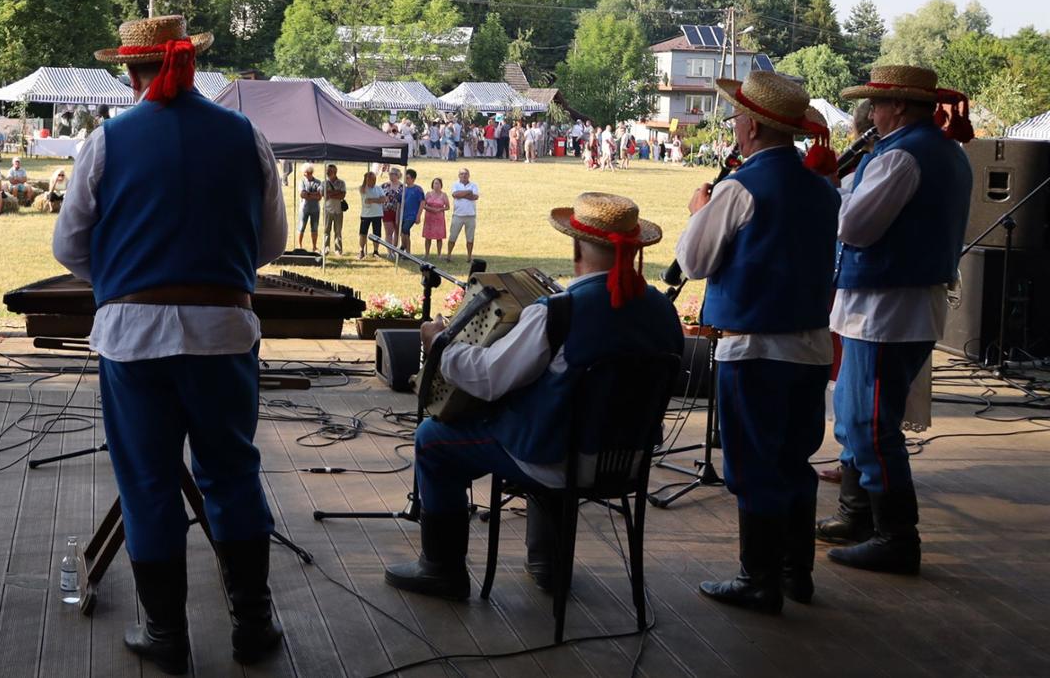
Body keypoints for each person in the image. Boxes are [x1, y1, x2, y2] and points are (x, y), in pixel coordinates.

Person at [54, 14, 286, 672]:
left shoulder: (106, 141)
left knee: (148, 482)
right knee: (234, 472)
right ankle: (253, 624)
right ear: (190, 63)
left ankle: (165, 635)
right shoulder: (247, 136)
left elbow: (68, 246)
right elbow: (269, 244)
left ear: (132, 71)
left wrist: (129, 282)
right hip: (224, 332)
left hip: (133, 341)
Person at [387, 192, 681, 600]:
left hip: (557, 462)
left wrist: (441, 345)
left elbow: (489, 377)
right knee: (552, 420)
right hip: (628, 462)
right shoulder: (664, 312)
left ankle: (441, 570)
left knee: (432, 441)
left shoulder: (560, 312)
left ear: (577, 246)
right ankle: (548, 562)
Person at [677, 71, 841, 613]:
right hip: (812, 347)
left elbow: (694, 261)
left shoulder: (739, 188)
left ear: (750, 127)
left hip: (755, 349)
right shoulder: (824, 189)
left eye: (736, 117)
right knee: (795, 459)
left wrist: (700, 213)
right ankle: (797, 574)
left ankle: (759, 579)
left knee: (753, 465)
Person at [817, 65, 974, 576]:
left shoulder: (901, 156)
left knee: (870, 425)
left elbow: (856, 228)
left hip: (885, 311)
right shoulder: (941, 150)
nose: (872, 115)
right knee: (856, 412)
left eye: (877, 105)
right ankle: (858, 516)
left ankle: (895, 536)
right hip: (896, 306)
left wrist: (826, 191)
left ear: (899, 107)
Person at [446, 168, 480, 262]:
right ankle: (449, 255)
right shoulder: (455, 184)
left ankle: (469, 256)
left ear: (469, 175)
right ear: (459, 175)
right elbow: (455, 194)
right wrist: (468, 192)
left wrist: (462, 194)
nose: (464, 176)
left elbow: (475, 197)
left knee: (470, 237)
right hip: (458, 215)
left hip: (471, 215)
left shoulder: (474, 185)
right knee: (453, 236)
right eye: (461, 174)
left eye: (465, 174)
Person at [357, 171, 385, 259]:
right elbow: (366, 199)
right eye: (371, 179)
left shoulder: (379, 188)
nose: (374, 181)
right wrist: (377, 200)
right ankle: (361, 250)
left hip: (377, 214)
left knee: (377, 234)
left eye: (374, 179)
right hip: (366, 215)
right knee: (363, 233)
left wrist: (372, 200)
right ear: (367, 180)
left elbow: (384, 199)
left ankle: (376, 251)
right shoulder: (362, 188)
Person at [296, 164, 323, 252]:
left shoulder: (318, 182)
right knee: (301, 227)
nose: (305, 174)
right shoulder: (302, 182)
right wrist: (313, 194)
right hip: (304, 209)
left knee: (314, 228)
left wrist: (308, 194)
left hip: (315, 209)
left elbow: (320, 196)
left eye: (306, 173)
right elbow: (302, 195)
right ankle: (300, 246)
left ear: (309, 172)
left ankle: (314, 247)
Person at [420, 177, 449, 256]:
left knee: (439, 237)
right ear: (432, 185)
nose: (436, 185)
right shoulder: (428, 194)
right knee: (428, 236)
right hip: (429, 217)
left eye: (438, 183)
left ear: (441, 185)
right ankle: (426, 254)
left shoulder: (444, 195)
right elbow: (423, 205)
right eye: (435, 183)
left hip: (439, 218)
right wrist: (430, 209)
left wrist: (439, 210)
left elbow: (447, 207)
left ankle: (439, 254)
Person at [323, 164, 347, 255]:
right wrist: (337, 192)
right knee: (326, 231)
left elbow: (342, 195)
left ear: (335, 172)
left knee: (338, 231)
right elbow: (324, 195)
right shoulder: (324, 183)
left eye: (329, 171)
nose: (327, 172)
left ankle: (338, 250)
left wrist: (331, 194)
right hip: (327, 210)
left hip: (338, 211)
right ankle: (326, 249)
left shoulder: (341, 183)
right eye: (327, 171)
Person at [399, 168, 425, 253]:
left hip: (412, 215)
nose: (406, 180)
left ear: (413, 179)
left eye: (408, 178)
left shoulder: (418, 189)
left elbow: (422, 202)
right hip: (403, 215)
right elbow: (400, 202)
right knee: (406, 234)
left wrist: (418, 216)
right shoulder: (403, 189)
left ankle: (403, 246)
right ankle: (408, 252)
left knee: (405, 230)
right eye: (405, 178)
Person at [381, 168, 403, 250]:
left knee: (397, 232)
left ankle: (394, 249)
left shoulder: (402, 187)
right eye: (390, 174)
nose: (390, 175)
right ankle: (389, 251)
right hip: (387, 211)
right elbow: (380, 197)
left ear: (397, 175)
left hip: (398, 211)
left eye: (392, 174)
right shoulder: (384, 185)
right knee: (388, 232)